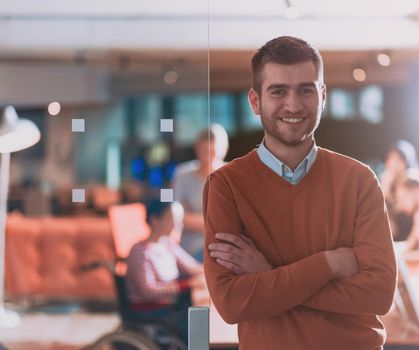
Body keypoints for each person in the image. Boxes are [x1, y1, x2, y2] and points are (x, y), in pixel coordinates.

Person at [203, 36, 397, 350]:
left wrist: (269, 275)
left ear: (322, 96)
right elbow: (232, 303)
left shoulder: (360, 180)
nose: (293, 105)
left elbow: (379, 293)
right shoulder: (226, 185)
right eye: (278, 91)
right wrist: (329, 265)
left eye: (305, 90)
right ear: (255, 101)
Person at [125, 200, 204, 344]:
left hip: (169, 307)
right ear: (155, 220)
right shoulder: (140, 252)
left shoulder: (168, 245)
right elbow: (147, 291)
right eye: (170, 219)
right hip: (150, 312)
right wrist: (186, 285)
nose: (175, 225)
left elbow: (193, 267)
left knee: (201, 316)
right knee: (198, 322)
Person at [173, 124, 229, 261]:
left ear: (224, 150)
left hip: (223, 249)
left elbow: (230, 222)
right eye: (204, 151)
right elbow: (173, 218)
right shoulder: (182, 174)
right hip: (189, 250)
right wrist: (213, 222)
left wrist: (189, 217)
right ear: (197, 148)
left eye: (213, 152)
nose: (208, 158)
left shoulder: (231, 174)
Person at [380, 140, 419, 241]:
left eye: (398, 160)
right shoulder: (387, 183)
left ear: (407, 161)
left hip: (417, 230)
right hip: (397, 236)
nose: (393, 164)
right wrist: (385, 191)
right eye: (390, 159)